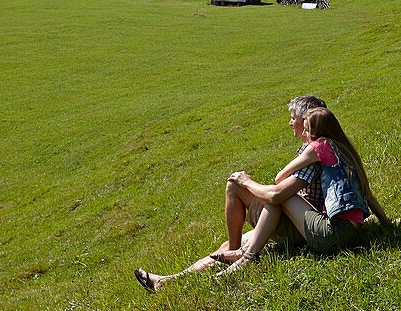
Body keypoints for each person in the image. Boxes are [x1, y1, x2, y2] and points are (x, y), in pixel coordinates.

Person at [134, 95, 327, 291]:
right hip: (293, 218)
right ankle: (168, 281)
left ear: (306, 122)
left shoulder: (313, 153)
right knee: (227, 243)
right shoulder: (312, 148)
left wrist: (247, 182)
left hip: (299, 227)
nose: (290, 122)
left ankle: (235, 255)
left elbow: (277, 194)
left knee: (235, 185)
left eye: (293, 117)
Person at [218, 107, 392, 275]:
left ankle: (249, 257)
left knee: (281, 196)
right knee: (280, 196)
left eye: (307, 130)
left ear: (317, 132)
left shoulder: (320, 145)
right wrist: (388, 225)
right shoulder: (347, 152)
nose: (304, 134)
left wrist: (246, 181)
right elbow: (368, 195)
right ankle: (245, 253)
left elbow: (280, 177)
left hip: (331, 236)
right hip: (350, 233)